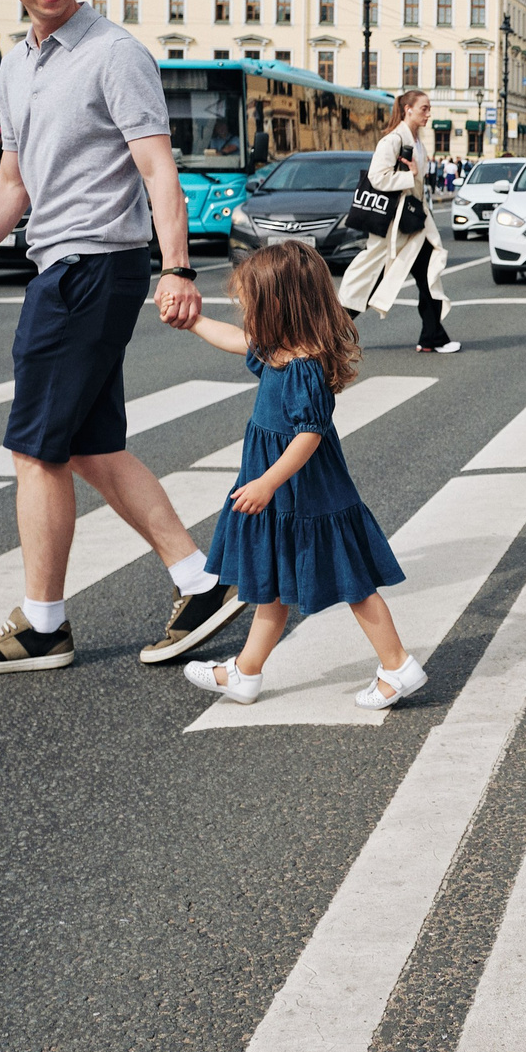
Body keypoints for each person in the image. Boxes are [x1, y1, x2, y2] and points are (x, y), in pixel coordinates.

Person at [0, 0, 242, 675]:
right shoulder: (15, 65)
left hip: (91, 265)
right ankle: (201, 581)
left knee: (34, 450)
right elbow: (13, 182)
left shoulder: (114, 53)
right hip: (64, 264)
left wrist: (177, 268)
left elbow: (158, 167)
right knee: (92, 448)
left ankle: (43, 625)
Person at [173, 243, 424, 709]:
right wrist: (193, 322)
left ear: (279, 304)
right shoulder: (277, 352)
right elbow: (235, 339)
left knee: (353, 583)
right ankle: (246, 672)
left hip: (307, 493)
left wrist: (267, 482)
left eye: (249, 302)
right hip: (282, 493)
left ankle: (398, 666)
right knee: (271, 581)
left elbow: (309, 434)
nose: (244, 310)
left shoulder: (304, 367)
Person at [338, 89, 457, 354]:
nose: (429, 113)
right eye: (424, 108)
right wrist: (409, 176)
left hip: (414, 223)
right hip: (395, 226)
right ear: (408, 109)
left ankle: (433, 337)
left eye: (429, 108)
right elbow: (377, 177)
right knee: (370, 278)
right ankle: (329, 332)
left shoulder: (417, 141)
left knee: (428, 275)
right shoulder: (393, 140)